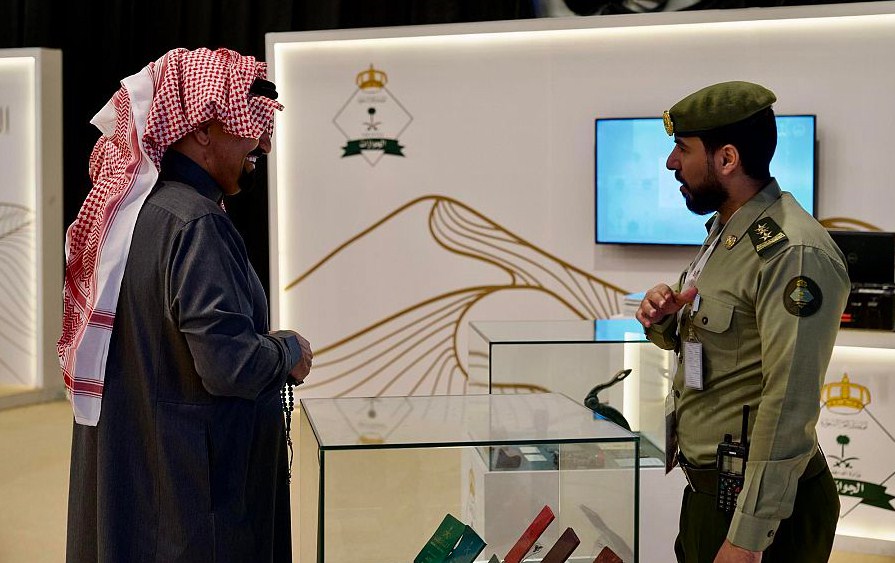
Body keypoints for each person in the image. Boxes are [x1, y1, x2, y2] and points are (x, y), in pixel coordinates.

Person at [59, 47, 312, 562]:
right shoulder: (196, 225)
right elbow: (229, 367)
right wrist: (287, 351)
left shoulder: (127, 218)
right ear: (200, 130)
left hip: (138, 484)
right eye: (250, 124)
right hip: (191, 502)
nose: (263, 142)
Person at [635, 81, 849, 563]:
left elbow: (789, 402)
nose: (671, 163)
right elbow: (715, 340)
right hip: (712, 494)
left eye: (683, 149)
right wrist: (664, 319)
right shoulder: (728, 231)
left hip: (763, 514)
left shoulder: (793, 252)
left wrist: (747, 538)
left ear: (727, 158)